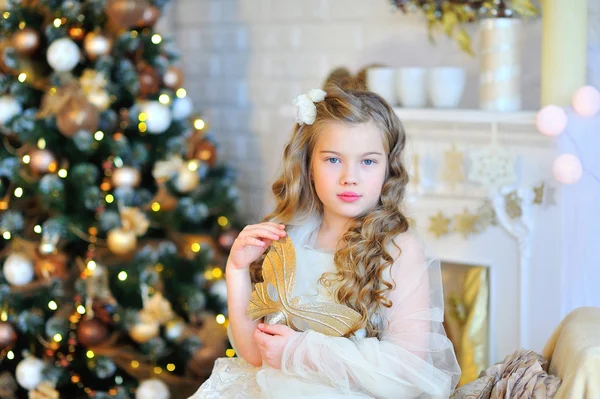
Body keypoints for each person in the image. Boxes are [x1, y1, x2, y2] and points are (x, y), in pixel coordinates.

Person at [190, 85, 461, 398]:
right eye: (333, 160)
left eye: (368, 162)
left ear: (389, 168)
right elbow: (255, 354)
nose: (350, 177)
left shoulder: (397, 248)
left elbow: (406, 370)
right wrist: (237, 270)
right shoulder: (286, 237)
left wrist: (298, 351)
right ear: (308, 166)